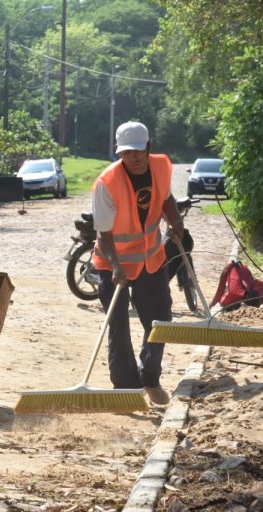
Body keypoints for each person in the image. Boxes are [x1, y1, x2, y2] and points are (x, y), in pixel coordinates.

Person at [90, 121, 184, 406]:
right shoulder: (107, 183)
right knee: (118, 326)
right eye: (126, 152)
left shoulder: (162, 167)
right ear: (119, 153)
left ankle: (150, 379)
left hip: (151, 260)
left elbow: (166, 198)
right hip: (112, 264)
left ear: (149, 147)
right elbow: (104, 236)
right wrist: (117, 266)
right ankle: (126, 391)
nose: (133, 157)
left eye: (138, 151)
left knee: (160, 321)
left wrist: (176, 220)